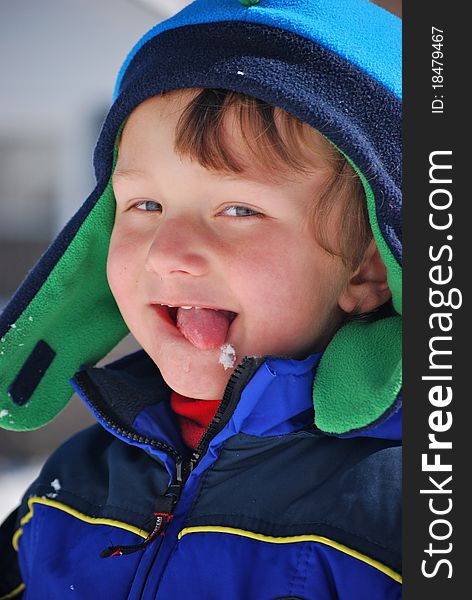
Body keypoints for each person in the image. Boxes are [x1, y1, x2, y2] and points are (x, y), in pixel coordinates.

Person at [0, 0, 402, 598]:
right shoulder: (74, 484)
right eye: (145, 205)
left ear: (369, 266)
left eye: (239, 209)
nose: (169, 252)